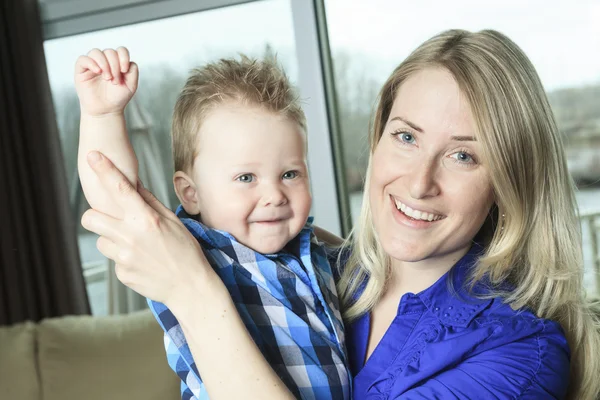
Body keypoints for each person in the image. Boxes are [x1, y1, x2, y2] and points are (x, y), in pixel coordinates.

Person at [80, 29, 600, 399]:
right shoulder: (329, 267)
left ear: (510, 181)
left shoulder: (520, 357)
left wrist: (193, 292)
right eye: (406, 137)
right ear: (376, 140)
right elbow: (118, 200)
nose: (420, 182)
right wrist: (103, 115)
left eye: (464, 155)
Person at [74, 50, 350, 399]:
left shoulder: (315, 252)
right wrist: (103, 115)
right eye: (246, 177)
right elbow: (117, 197)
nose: (274, 195)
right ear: (191, 194)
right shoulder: (195, 250)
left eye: (290, 174)